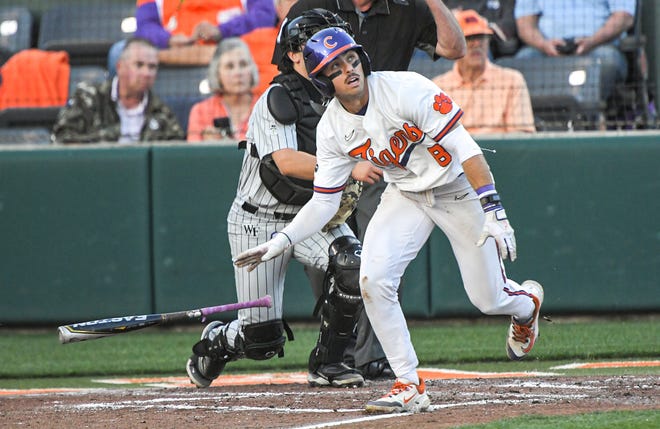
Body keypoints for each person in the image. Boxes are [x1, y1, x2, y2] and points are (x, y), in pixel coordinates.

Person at [234, 27, 544, 413]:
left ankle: (525, 305)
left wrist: (494, 209)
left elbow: (465, 147)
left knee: (488, 298)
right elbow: (323, 203)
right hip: (406, 195)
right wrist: (283, 240)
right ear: (322, 81)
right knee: (373, 279)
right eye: (334, 66)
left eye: (350, 58)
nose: (348, 69)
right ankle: (408, 383)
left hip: (455, 189)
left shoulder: (406, 88)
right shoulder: (332, 128)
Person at [185, 10, 384, 390]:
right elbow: (286, 161)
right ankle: (216, 340)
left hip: (315, 213)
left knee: (351, 264)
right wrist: (348, 167)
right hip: (258, 221)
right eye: (319, 44)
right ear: (294, 54)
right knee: (262, 340)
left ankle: (329, 363)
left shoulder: (347, 95)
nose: (334, 54)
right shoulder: (277, 97)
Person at [281, 0, 467, 380]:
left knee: (375, 259)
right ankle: (333, 352)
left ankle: (371, 357)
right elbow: (288, 74)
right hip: (326, 142)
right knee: (327, 257)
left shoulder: (406, 8)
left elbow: (454, 48)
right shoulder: (310, 6)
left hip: (383, 151)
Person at [52, 37, 184, 144]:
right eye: (139, 65)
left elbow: (175, 156)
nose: (146, 73)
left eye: (152, 67)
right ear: (120, 67)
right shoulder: (88, 97)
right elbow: (61, 141)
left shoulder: (162, 113)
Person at [433, 9, 535, 134]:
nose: (476, 43)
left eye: (481, 37)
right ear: (455, 43)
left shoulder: (512, 80)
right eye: (469, 38)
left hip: (500, 152)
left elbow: (521, 136)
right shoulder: (438, 87)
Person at [514, 0, 635, 96]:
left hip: (598, 47)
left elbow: (624, 18)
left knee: (608, 61)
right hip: (548, 50)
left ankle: (591, 119)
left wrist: (592, 41)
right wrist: (543, 44)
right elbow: (524, 24)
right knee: (522, 63)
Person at [187, 38, 259, 142]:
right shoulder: (200, 111)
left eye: (243, 64)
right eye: (230, 66)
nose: (238, 73)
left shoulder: (267, 109)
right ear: (217, 74)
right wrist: (207, 147)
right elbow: (192, 155)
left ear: (252, 70)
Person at [444, 0, 519, 59]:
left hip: (492, 44)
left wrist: (484, 25)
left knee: (480, 44)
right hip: (455, 41)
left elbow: (509, 24)